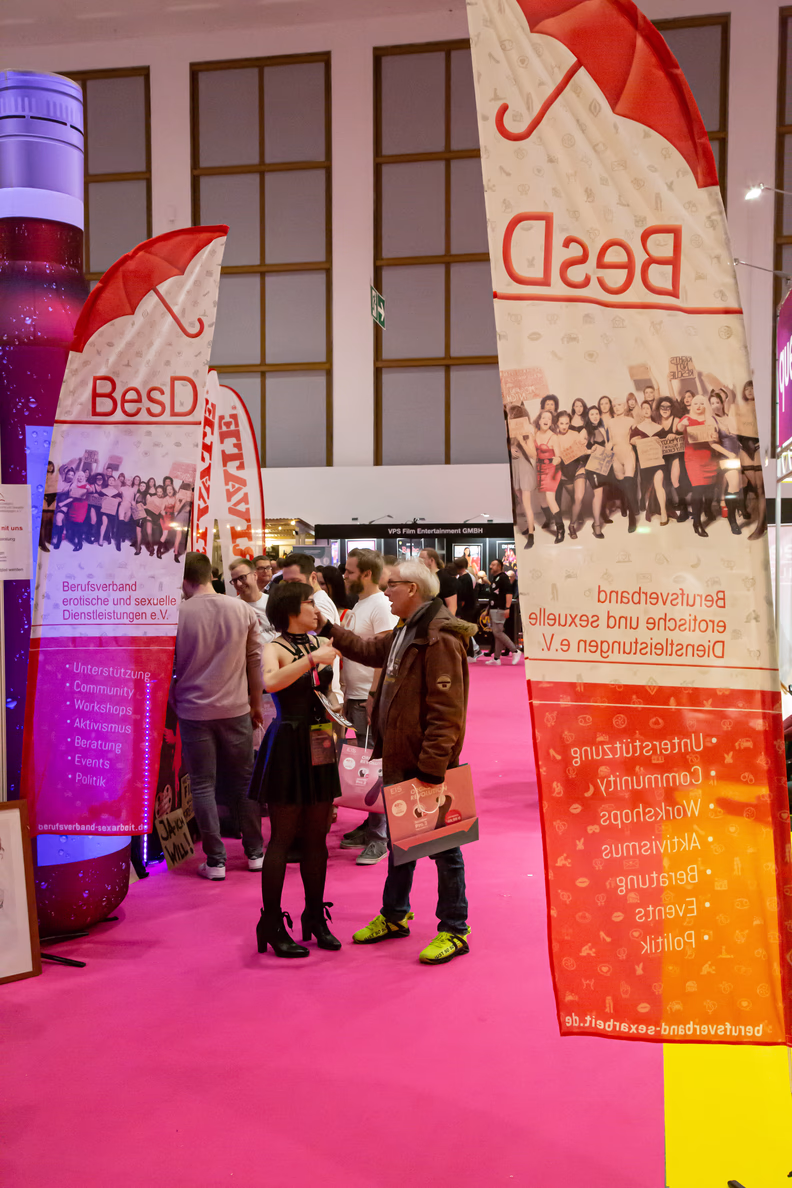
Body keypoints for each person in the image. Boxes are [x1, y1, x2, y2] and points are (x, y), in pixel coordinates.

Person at [325, 560, 474, 965]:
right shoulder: (409, 630)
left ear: (413, 589)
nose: (386, 591)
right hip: (402, 756)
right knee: (400, 842)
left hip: (426, 763)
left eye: (392, 585)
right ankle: (395, 914)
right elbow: (369, 650)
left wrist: (432, 768)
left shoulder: (438, 637)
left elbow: (448, 712)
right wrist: (328, 629)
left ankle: (455, 929)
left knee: (445, 848)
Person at [249, 581, 342, 958]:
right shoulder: (274, 647)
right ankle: (271, 922)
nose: (316, 609)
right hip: (288, 741)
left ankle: (314, 916)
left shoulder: (316, 642)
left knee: (318, 836)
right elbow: (270, 682)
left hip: (320, 738)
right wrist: (312, 660)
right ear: (290, 608)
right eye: (309, 603)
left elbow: (326, 692)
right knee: (283, 838)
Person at [171, 552, 264, 880]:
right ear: (211, 575)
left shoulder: (177, 614)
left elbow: (168, 665)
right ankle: (255, 853)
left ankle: (216, 861)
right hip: (236, 708)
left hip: (193, 711)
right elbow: (255, 660)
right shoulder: (242, 609)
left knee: (202, 784)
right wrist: (255, 703)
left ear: (184, 580)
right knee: (245, 781)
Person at [338, 548, 397, 865]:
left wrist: (374, 694)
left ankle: (380, 837)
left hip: (368, 697)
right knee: (363, 765)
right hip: (356, 696)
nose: (344, 576)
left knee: (374, 769)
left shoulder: (381, 606)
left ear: (366, 574)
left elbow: (384, 654)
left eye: (349, 571)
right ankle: (370, 825)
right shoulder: (361, 604)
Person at [229, 557, 277, 645]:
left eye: (242, 578)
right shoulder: (232, 608)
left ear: (255, 575)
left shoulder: (273, 602)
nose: (239, 584)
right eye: (234, 580)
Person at [485, 558, 521, 665]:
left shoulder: (503, 578)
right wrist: (487, 610)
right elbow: (493, 596)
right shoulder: (496, 578)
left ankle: (514, 650)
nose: (491, 567)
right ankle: (496, 658)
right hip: (494, 608)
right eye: (491, 564)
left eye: (493, 565)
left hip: (500, 609)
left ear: (499, 566)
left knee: (498, 632)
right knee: (497, 634)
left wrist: (507, 608)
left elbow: (508, 594)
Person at [453, 554, 482, 660]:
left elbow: (464, 595)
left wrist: (459, 606)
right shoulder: (467, 577)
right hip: (468, 607)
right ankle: (470, 652)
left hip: (466, 609)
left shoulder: (464, 578)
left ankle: (470, 653)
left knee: (465, 631)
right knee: (466, 631)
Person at [419, 548, 458, 615]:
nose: (419, 562)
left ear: (431, 560)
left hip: (440, 617)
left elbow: (452, 606)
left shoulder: (445, 577)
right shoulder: (423, 577)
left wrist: (448, 620)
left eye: (422, 559)